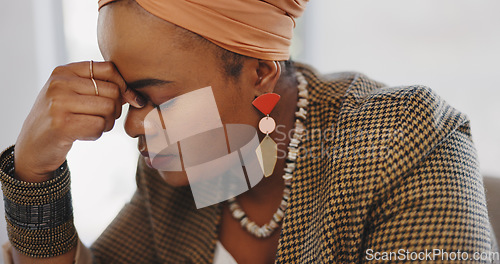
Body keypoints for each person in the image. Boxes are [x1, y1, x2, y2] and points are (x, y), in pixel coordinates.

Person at [1, 0, 497, 263]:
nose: (132, 126)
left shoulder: (400, 143)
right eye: (130, 97)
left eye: (155, 98)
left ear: (259, 71)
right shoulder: (205, 164)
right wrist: (35, 175)